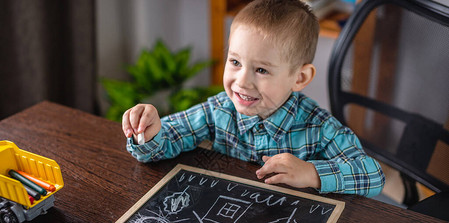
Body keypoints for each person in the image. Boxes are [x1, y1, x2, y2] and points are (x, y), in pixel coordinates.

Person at [122, 0, 385, 197]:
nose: (242, 82)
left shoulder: (320, 128)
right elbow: (163, 143)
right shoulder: (218, 110)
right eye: (235, 61)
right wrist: (150, 132)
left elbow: (373, 175)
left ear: (300, 78)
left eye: (261, 70)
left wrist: (312, 173)